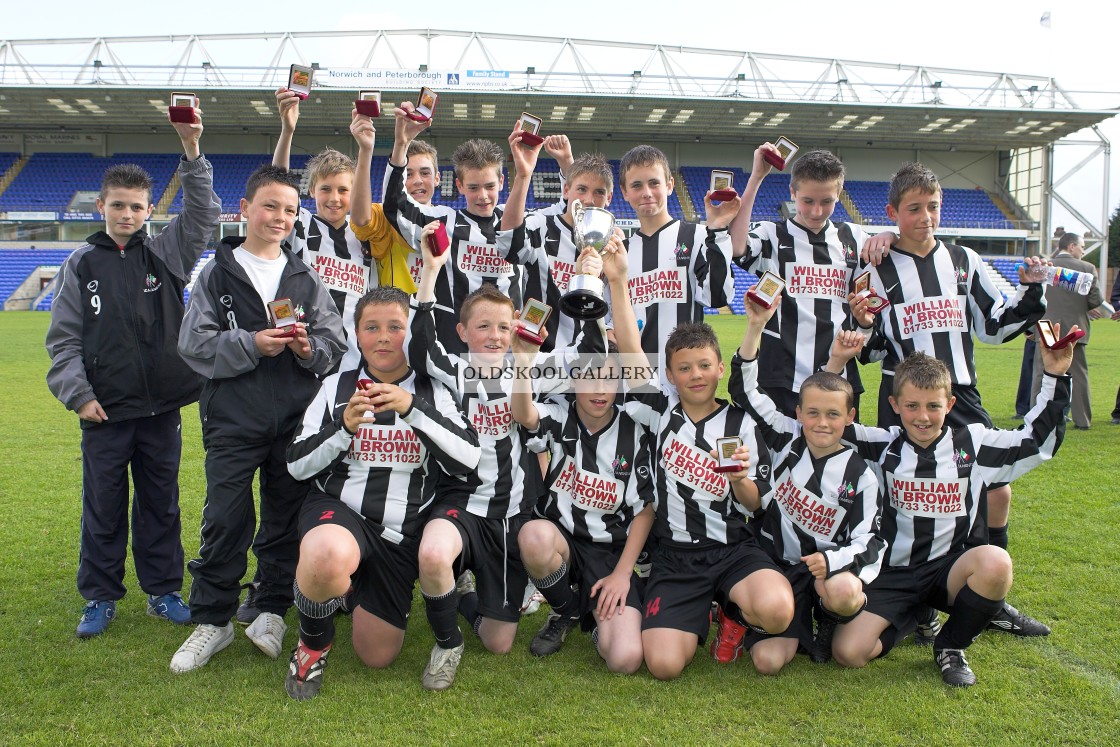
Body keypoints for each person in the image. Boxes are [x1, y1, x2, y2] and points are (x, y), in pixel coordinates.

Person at [45, 107, 221, 638]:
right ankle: (99, 597)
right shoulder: (81, 263)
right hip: (103, 410)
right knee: (103, 506)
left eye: (137, 207)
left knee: (160, 504)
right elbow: (63, 340)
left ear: (149, 210)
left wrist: (192, 152)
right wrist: (78, 396)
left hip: (161, 406)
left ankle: (164, 590)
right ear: (101, 206)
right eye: (117, 205)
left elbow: (204, 216)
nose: (127, 214)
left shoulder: (166, 254)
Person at [406, 223, 604, 690]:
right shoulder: (456, 368)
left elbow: (591, 354)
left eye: (503, 326)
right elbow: (419, 348)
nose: (495, 336)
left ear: (516, 325)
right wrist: (431, 275)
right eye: (483, 326)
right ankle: (446, 643)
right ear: (462, 331)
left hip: (511, 514)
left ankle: (468, 600)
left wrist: (589, 282)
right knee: (434, 552)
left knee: (498, 642)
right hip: (462, 507)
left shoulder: (531, 364)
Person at [858, 162, 1051, 638]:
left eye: (933, 207)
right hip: (902, 396)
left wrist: (1032, 290)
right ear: (894, 213)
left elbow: (994, 324)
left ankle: (990, 599)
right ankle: (913, 596)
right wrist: (862, 323)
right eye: (914, 209)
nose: (926, 217)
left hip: (958, 392)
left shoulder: (963, 260)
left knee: (995, 489)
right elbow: (872, 347)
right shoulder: (875, 268)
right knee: (903, 493)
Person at [171, 165, 346, 673]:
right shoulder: (217, 272)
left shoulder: (304, 275)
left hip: (294, 420)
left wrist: (310, 349)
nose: (281, 217)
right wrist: (252, 344)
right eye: (270, 206)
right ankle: (214, 619)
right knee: (225, 518)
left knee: (284, 517)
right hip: (232, 418)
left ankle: (270, 608)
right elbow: (193, 345)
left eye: (290, 210)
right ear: (244, 209)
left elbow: (333, 346)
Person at [824, 332, 1074, 687]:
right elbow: (825, 423)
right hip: (892, 573)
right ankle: (915, 615)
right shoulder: (881, 445)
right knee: (848, 653)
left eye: (933, 406)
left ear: (950, 404)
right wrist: (837, 362)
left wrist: (1056, 375)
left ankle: (951, 646)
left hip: (948, 570)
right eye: (911, 406)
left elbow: (1037, 442)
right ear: (894, 404)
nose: (922, 417)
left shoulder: (973, 443)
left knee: (995, 563)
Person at [282, 287, 481, 701]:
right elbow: (296, 465)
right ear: (357, 336)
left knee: (376, 654)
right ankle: (312, 645)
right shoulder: (336, 386)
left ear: (411, 335)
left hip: (400, 532)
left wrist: (413, 408)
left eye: (396, 326)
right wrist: (343, 428)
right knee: (325, 558)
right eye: (372, 327)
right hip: (340, 512)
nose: (385, 337)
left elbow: (467, 460)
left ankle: (350, 589)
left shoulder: (433, 388)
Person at [510, 233, 654, 672]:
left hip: (614, 551)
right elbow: (524, 412)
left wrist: (623, 573)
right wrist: (523, 361)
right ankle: (567, 607)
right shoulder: (560, 414)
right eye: (588, 381)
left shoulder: (636, 427)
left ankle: (596, 617)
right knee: (533, 537)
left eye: (608, 381)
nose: (598, 391)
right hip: (566, 542)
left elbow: (647, 510)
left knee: (625, 659)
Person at [622, 320, 794, 679]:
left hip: (731, 548)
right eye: (684, 368)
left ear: (719, 368)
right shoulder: (660, 413)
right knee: (664, 666)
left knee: (778, 610)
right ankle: (698, 608)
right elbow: (630, 349)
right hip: (675, 556)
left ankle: (733, 614)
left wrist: (740, 479)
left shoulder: (741, 423)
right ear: (669, 375)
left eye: (703, 365)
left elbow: (755, 504)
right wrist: (620, 280)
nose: (695, 375)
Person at [725, 289, 885, 673]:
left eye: (833, 414)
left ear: (850, 418)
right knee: (766, 663)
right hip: (779, 564)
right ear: (798, 413)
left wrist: (833, 560)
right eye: (812, 413)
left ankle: (828, 620)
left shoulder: (861, 472)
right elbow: (745, 391)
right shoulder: (787, 437)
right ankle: (783, 619)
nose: (822, 423)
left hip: (827, 573)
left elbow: (871, 540)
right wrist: (755, 327)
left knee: (845, 593)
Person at [728, 144, 892, 418]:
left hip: (839, 379)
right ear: (793, 193)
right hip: (779, 377)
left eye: (826, 201)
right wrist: (757, 176)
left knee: (837, 458)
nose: (816, 211)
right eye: (807, 201)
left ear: (839, 195)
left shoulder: (854, 238)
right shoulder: (772, 235)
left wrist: (891, 236)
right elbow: (736, 248)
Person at [381, 104, 520, 354]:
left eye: (489, 186)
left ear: (501, 182)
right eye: (474, 187)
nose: (483, 196)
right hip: (455, 348)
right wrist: (401, 145)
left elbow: (569, 215)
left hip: (508, 349)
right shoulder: (444, 221)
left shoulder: (521, 224)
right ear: (459, 185)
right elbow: (395, 206)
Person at [273, 88, 374, 372]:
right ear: (311, 190)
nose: (334, 198)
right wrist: (287, 130)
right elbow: (278, 186)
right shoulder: (303, 224)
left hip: (354, 358)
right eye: (325, 189)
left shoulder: (366, 236)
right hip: (305, 351)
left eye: (343, 190)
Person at [617, 144, 737, 380]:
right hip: (638, 378)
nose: (647, 193)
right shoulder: (622, 252)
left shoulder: (699, 235)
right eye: (637, 185)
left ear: (670, 185)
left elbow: (717, 298)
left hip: (687, 375)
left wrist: (719, 230)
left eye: (654, 183)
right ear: (624, 192)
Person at [349, 108, 442, 295]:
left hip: (436, 320)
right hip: (396, 317)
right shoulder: (387, 217)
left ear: (437, 178)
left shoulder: (448, 221)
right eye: (408, 174)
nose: (417, 180)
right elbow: (361, 219)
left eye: (425, 173)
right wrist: (365, 151)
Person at [1030, 233, 1103, 430]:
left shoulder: (1043, 267)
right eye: (1082, 246)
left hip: (1046, 325)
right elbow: (1096, 300)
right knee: (1079, 376)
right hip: (1074, 327)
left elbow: (1033, 298)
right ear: (1071, 246)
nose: (1083, 250)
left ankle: (1037, 417)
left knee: (1041, 373)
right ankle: (1083, 421)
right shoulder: (1087, 268)